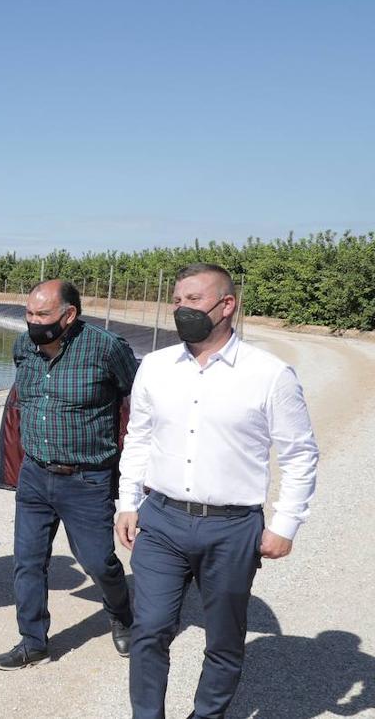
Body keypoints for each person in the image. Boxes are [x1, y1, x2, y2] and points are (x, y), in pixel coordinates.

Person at [116, 263, 320, 719]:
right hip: (162, 518)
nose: (180, 308)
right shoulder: (154, 367)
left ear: (227, 305)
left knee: (224, 639)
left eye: (193, 299)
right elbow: (139, 437)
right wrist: (127, 501)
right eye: (176, 300)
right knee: (150, 629)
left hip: (232, 528)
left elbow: (300, 454)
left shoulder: (269, 375)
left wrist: (285, 524)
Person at [0, 280, 138, 670]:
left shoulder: (106, 348)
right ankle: (33, 640)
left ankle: (121, 614)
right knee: (27, 560)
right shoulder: (24, 347)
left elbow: (136, 400)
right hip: (35, 475)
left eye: (42, 315)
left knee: (97, 561)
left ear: (68, 315)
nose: (33, 322)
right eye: (28, 313)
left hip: (87, 479)